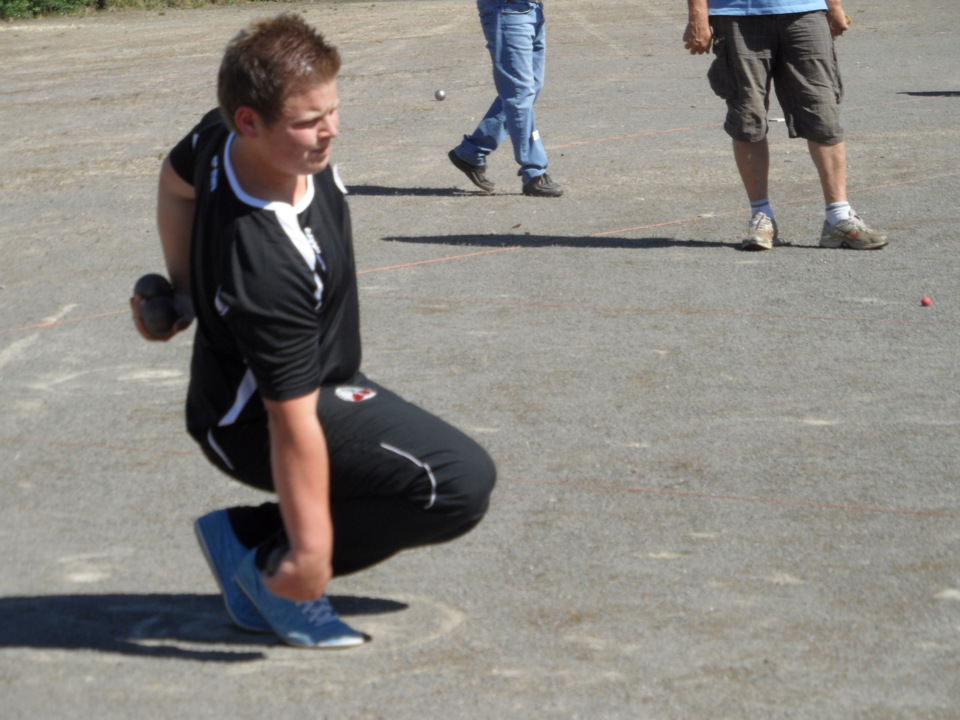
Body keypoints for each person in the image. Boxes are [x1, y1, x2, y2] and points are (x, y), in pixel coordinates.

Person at [131, 14, 496, 649]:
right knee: (452, 484)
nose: (327, 132)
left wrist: (182, 288)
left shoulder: (224, 138)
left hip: (308, 378)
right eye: (306, 122)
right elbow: (289, 424)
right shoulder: (267, 261)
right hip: (250, 418)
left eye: (331, 110)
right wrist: (311, 548)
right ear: (251, 120)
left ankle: (244, 537)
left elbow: (174, 182)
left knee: (452, 472)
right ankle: (274, 572)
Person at [683, 0, 888, 250]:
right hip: (737, 13)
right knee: (748, 116)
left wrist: (834, 6)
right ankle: (762, 217)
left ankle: (840, 218)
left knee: (822, 114)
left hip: (805, 12)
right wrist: (698, 16)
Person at [448, 0, 563, 198]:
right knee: (520, 92)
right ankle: (534, 172)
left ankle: (471, 151)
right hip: (508, 9)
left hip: (532, 11)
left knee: (529, 88)